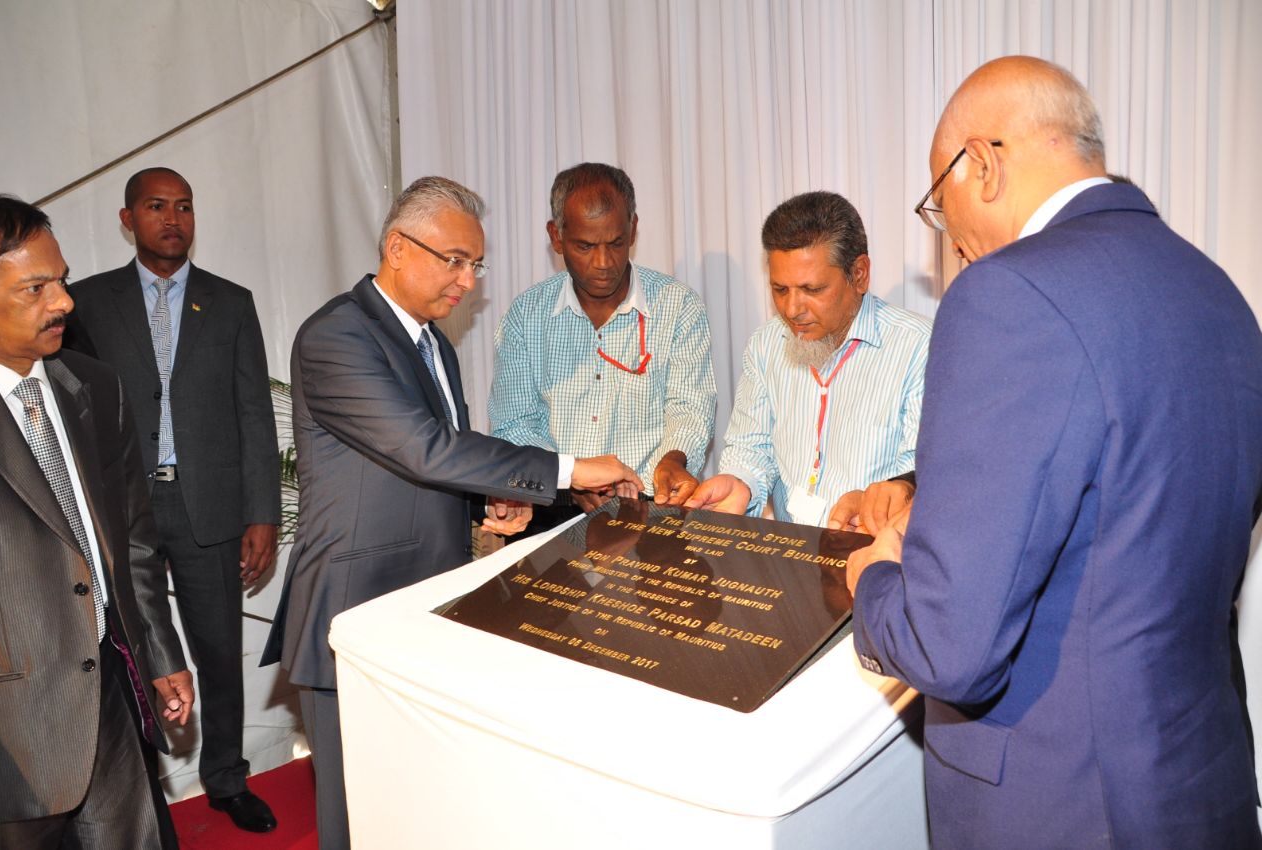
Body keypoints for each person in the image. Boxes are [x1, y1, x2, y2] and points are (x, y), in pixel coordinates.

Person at [846, 56, 1262, 849]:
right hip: (1201, 779)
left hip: (1061, 802)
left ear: (983, 164)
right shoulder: (1220, 294)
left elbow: (951, 646)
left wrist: (876, 583)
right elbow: (1133, 522)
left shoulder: (1009, 295)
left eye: (941, 204)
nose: (950, 239)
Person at [261, 175, 641, 850]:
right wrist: (569, 470)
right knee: (357, 822)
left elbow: (442, 462)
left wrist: (491, 500)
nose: (468, 281)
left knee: (416, 813)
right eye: (455, 260)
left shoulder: (432, 341)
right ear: (398, 247)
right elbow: (421, 447)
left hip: (422, 610)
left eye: (476, 264)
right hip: (352, 616)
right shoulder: (338, 337)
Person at [62, 167, 281, 833]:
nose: (173, 219)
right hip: (121, 508)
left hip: (208, 507)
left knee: (218, 650)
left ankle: (224, 778)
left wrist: (263, 512)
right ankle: (140, 790)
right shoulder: (87, 303)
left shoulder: (230, 301)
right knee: (132, 651)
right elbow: (73, 405)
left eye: (184, 206)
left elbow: (254, 414)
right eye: (156, 206)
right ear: (128, 220)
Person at [0, 195, 194, 848]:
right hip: (4, 727)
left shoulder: (93, 387)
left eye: (63, 280)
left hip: (109, 687)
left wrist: (160, 655)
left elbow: (132, 537)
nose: (64, 302)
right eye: (36, 287)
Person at [489, 162, 716, 529]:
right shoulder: (526, 315)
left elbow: (690, 406)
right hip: (552, 508)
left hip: (652, 505)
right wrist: (572, 477)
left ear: (634, 229)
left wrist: (673, 460)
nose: (604, 263)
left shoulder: (678, 306)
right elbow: (513, 423)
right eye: (584, 246)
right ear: (556, 236)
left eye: (616, 243)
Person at [685, 191, 931, 526]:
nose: (792, 310)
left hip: (873, 555)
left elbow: (924, 473)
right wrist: (741, 483)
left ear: (859, 274)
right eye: (780, 290)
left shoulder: (919, 347)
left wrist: (883, 507)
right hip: (789, 558)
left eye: (812, 290)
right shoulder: (766, 344)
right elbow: (751, 446)